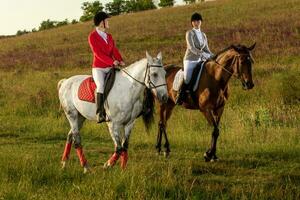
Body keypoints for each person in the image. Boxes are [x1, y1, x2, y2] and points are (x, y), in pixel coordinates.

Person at [88, 11, 125, 123]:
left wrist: (120, 60)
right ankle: (99, 113)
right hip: (98, 68)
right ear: (101, 23)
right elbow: (97, 54)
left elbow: (114, 50)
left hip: (110, 66)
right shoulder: (92, 36)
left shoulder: (109, 36)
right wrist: (111, 62)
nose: (108, 22)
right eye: (106, 20)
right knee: (100, 86)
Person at [175, 12, 214, 105]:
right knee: (187, 78)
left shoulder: (203, 35)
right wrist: (202, 54)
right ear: (192, 23)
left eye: (198, 21)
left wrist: (214, 56)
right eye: (195, 21)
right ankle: (180, 94)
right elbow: (191, 47)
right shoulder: (189, 33)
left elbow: (206, 49)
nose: (197, 22)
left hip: (201, 59)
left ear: (201, 22)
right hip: (190, 59)